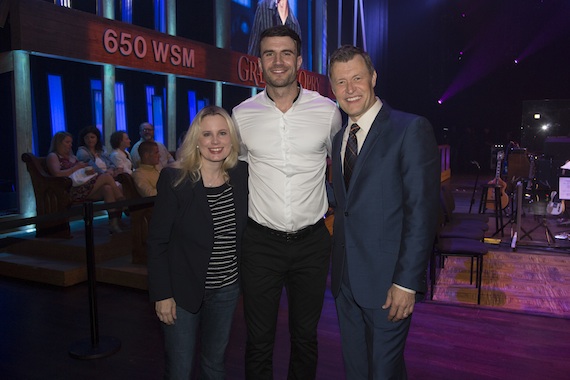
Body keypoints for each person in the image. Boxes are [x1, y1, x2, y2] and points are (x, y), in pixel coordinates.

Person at [232, 26, 342, 379]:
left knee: (305, 337)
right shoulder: (241, 115)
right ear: (259, 62)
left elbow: (341, 169)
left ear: (299, 60)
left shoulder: (327, 112)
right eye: (269, 54)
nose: (278, 61)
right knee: (259, 339)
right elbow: (240, 170)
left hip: (312, 243)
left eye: (285, 53)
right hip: (260, 243)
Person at [327, 45, 440, 379]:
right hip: (345, 281)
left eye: (357, 78)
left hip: (388, 285)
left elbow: (421, 212)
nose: (350, 89)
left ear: (373, 77)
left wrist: (406, 282)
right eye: (341, 82)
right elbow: (347, 204)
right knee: (357, 370)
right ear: (332, 88)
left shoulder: (410, 129)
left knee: (384, 371)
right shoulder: (339, 138)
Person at [147, 105, 248, 379]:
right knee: (179, 369)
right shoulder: (175, 180)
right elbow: (157, 242)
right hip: (181, 292)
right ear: (196, 140)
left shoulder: (241, 176)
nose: (215, 141)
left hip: (226, 290)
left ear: (231, 138)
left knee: (214, 364)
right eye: (207, 134)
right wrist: (162, 294)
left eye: (222, 133)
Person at [46, 131, 125, 234]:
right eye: (67, 142)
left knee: (107, 189)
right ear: (59, 142)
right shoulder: (53, 156)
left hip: (84, 185)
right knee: (106, 177)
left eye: (71, 142)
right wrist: (76, 168)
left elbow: (82, 172)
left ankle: (113, 223)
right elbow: (57, 174)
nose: (70, 145)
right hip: (71, 189)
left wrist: (88, 170)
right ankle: (121, 200)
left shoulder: (73, 157)